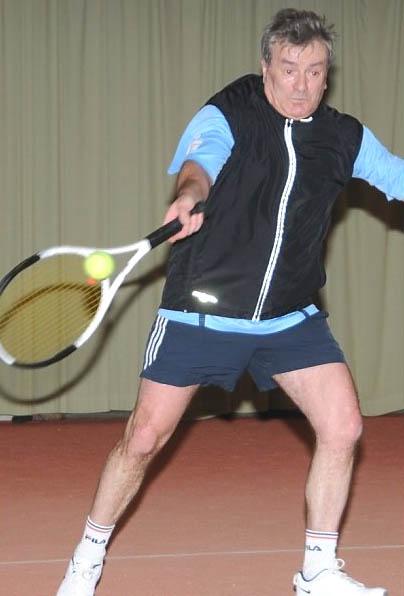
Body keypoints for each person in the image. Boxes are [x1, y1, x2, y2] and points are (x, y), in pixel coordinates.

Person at [56, 8, 404, 596]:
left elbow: (395, 175)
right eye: (289, 69)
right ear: (266, 67)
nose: (302, 85)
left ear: (328, 75)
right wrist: (190, 194)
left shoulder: (343, 137)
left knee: (343, 426)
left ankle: (318, 570)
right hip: (203, 309)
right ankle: (86, 560)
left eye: (315, 71)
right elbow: (201, 164)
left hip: (288, 316)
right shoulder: (229, 111)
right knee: (143, 438)